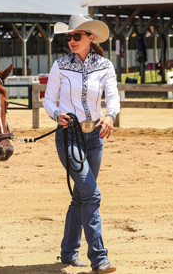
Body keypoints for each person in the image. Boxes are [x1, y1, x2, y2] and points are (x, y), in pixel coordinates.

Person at [43, 14, 120, 274]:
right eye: (69, 37)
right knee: (91, 194)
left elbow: (113, 97)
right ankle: (99, 259)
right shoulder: (60, 65)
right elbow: (48, 101)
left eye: (77, 36)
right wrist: (56, 114)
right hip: (68, 136)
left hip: (95, 136)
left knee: (81, 197)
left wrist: (110, 116)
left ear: (91, 37)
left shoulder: (106, 65)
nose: (72, 41)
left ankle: (68, 252)